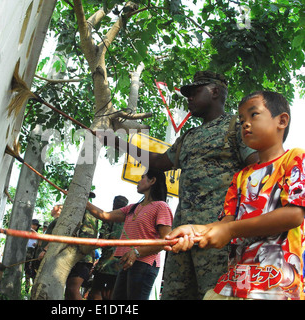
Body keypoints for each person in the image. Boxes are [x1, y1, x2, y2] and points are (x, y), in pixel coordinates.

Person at [97, 71, 258, 299]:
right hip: (181, 235)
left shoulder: (237, 127)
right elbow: (158, 161)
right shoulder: (189, 137)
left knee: (216, 294)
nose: (188, 98)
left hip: (218, 235)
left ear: (214, 91)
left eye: (194, 92)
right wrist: (116, 142)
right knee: (175, 294)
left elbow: (260, 172)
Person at [166, 91, 305, 299]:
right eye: (241, 120)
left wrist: (231, 230)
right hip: (237, 282)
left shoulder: (295, 159)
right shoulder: (240, 177)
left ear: (282, 120)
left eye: (253, 115)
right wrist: (194, 231)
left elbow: (294, 215)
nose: (245, 124)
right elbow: (224, 224)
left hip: (277, 284)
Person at [86, 168, 173, 300]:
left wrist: (137, 252)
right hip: (126, 263)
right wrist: (83, 201)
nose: (138, 181)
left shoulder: (161, 207)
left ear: (152, 181)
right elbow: (104, 215)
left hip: (145, 264)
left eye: (142, 177)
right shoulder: (133, 207)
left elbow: (166, 241)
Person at [87, 195, 129, 300]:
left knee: (96, 291)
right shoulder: (130, 221)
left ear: (114, 204)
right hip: (121, 264)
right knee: (111, 293)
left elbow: (103, 238)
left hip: (106, 263)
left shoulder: (110, 218)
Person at [65, 192, 99, 300]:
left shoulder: (83, 212)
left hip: (82, 257)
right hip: (79, 256)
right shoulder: (89, 213)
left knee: (72, 289)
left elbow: (86, 236)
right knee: (69, 290)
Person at [24, 219, 40, 291]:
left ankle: (29, 290)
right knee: (25, 272)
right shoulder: (26, 232)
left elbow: (39, 243)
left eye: (36, 225)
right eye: (33, 224)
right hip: (24, 253)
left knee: (30, 272)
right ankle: (26, 288)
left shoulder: (36, 235)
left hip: (32, 255)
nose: (35, 226)